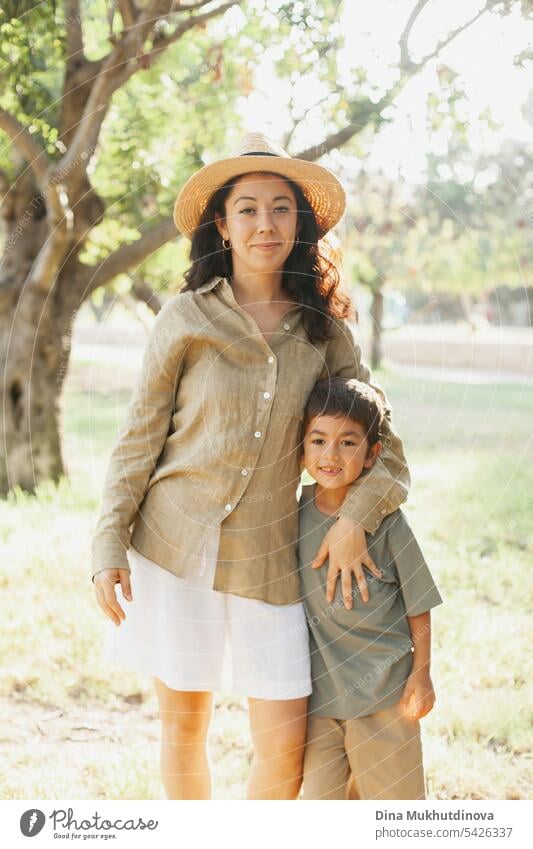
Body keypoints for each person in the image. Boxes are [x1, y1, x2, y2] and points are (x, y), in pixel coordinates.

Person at [91, 132, 410, 800]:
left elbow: (387, 449)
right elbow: (138, 437)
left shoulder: (326, 332)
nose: (264, 223)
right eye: (247, 209)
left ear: (300, 224)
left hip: (272, 557)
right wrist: (106, 542)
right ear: (222, 224)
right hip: (172, 545)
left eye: (280, 209)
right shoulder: (185, 317)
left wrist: (355, 516)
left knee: (284, 748)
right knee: (184, 727)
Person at [298, 377, 443, 800]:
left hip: (384, 694)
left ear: (372, 454)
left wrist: (422, 673)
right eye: (318, 440)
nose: (330, 454)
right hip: (320, 699)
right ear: (302, 447)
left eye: (347, 443)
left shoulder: (388, 523)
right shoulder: (293, 516)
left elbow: (419, 601)